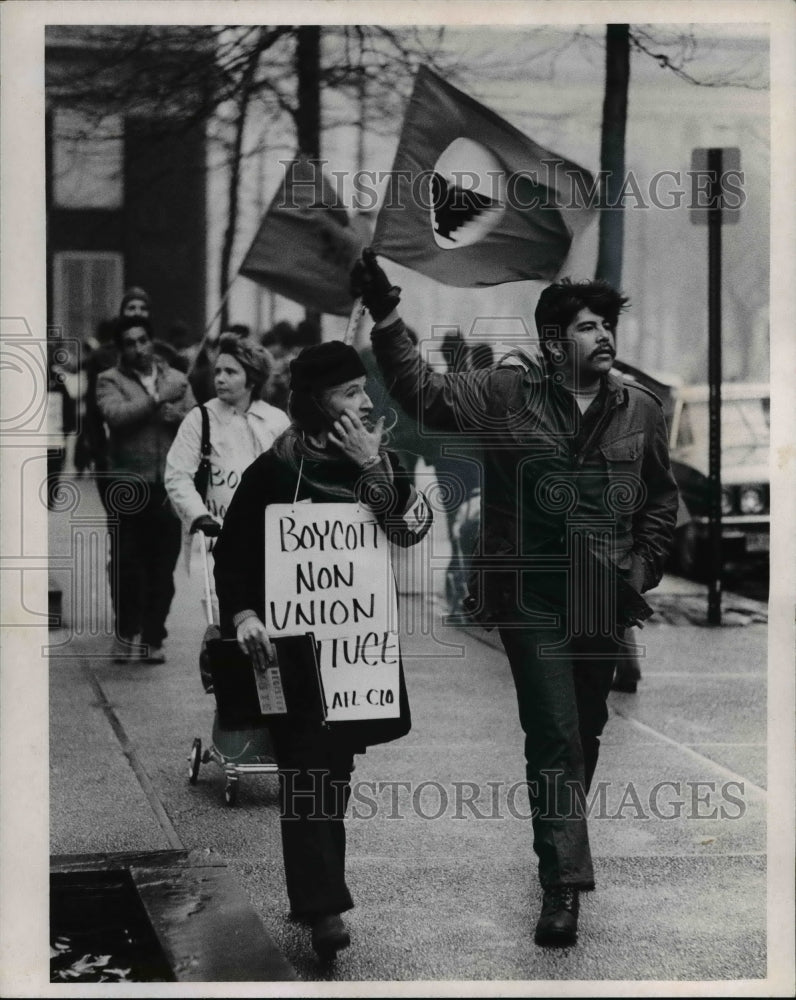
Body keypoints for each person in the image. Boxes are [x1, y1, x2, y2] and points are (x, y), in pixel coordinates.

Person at [351, 250, 679, 947]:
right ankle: (561, 888)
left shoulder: (640, 407)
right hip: (529, 593)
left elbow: (661, 497)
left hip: (604, 597)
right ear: (555, 342)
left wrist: (645, 566)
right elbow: (423, 393)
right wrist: (387, 315)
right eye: (588, 327)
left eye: (607, 325)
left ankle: (561, 840)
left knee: (586, 730)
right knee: (555, 734)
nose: (604, 336)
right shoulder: (508, 392)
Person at [212, 341, 433, 961]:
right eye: (349, 394)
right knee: (306, 772)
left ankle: (317, 896)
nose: (366, 403)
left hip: (355, 655)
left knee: (331, 775)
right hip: (292, 653)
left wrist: (373, 468)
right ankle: (324, 909)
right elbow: (231, 553)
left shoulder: (383, 462)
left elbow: (409, 530)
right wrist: (246, 613)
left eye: (366, 390)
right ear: (315, 404)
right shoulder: (275, 471)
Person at [96, 315, 196, 664]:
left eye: (142, 340)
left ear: (152, 342)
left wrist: (178, 418)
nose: (137, 348)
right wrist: (156, 399)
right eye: (129, 342)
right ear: (120, 348)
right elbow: (116, 416)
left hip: (167, 486)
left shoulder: (178, 381)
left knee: (162, 567)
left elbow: (198, 424)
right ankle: (125, 632)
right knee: (127, 564)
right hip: (127, 485)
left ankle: (153, 636)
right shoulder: (108, 380)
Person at [164, 333, 290, 555]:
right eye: (218, 371)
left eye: (230, 372)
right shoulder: (201, 418)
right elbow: (177, 474)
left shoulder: (276, 421)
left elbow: (289, 478)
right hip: (213, 537)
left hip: (263, 539)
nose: (220, 379)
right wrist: (199, 515)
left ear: (252, 379)